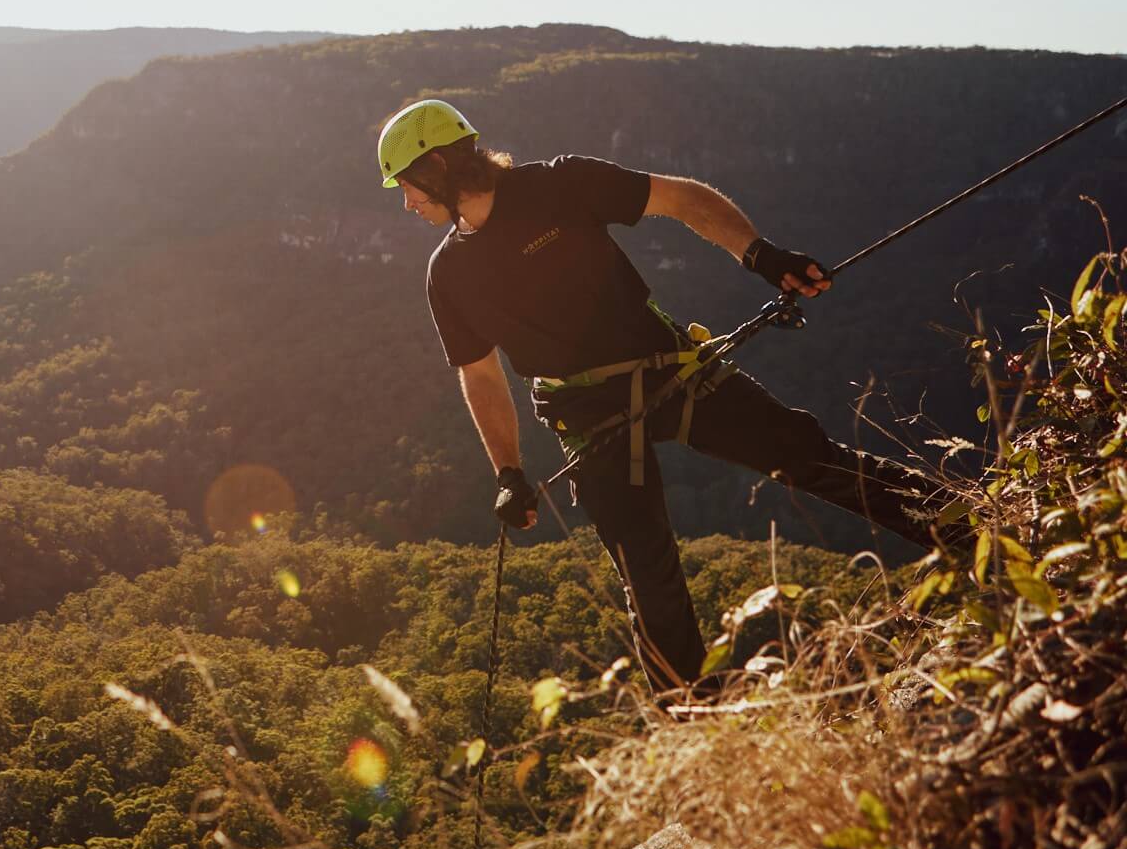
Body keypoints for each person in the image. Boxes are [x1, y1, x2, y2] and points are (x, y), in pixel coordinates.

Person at [377, 98, 945, 691]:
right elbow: (479, 373)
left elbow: (680, 199)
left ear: (439, 166)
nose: (407, 202)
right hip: (586, 413)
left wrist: (762, 256)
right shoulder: (448, 273)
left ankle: (971, 529)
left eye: (410, 186)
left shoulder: (561, 184)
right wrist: (507, 473)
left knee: (804, 453)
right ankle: (692, 717)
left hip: (669, 371)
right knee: (647, 574)